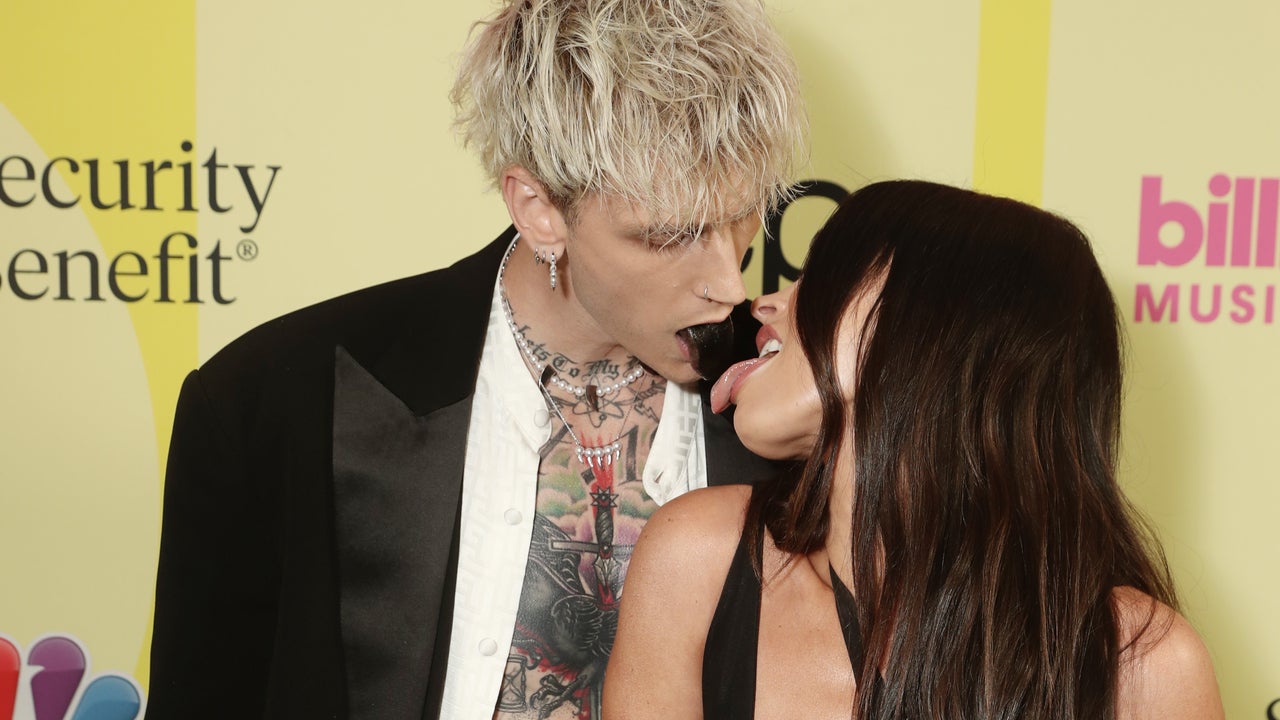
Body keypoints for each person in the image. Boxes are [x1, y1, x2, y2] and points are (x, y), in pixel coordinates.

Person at [144, 1, 805, 718]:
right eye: (667, 236)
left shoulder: (800, 400)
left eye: (741, 218)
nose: (729, 284)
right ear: (539, 209)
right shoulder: (274, 403)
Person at [604, 180, 1224, 719]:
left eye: (821, 275)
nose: (764, 303)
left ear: (925, 332)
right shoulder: (700, 560)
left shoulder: (1141, 666)